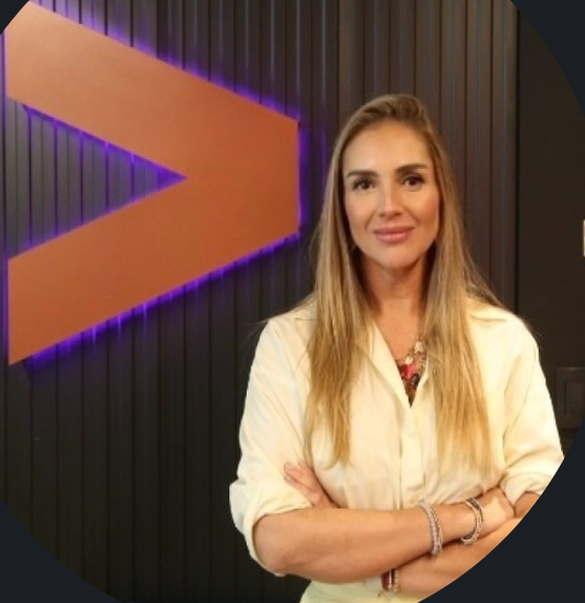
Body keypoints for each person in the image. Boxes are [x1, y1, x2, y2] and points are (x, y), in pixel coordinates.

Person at [229, 94, 563, 602]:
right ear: (343, 207)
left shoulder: (504, 343)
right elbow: (277, 540)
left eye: (411, 179)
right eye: (364, 183)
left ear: (440, 197)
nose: (389, 206)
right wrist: (469, 515)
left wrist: (350, 546)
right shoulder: (288, 345)